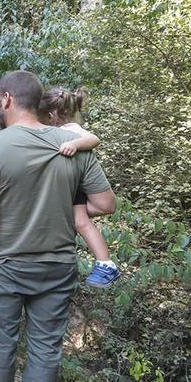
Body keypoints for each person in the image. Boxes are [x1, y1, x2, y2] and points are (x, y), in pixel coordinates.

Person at [0, 70, 116, 382]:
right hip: (58, 268)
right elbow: (104, 205)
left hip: (7, 268)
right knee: (45, 348)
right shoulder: (71, 144)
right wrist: (61, 208)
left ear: (7, 99)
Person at [39, 87, 119, 288]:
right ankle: (104, 263)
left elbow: (94, 139)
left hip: (76, 187)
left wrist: (75, 145)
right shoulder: (59, 130)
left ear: (51, 115)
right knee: (79, 222)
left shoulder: (70, 130)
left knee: (82, 223)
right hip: (71, 187)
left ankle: (106, 263)